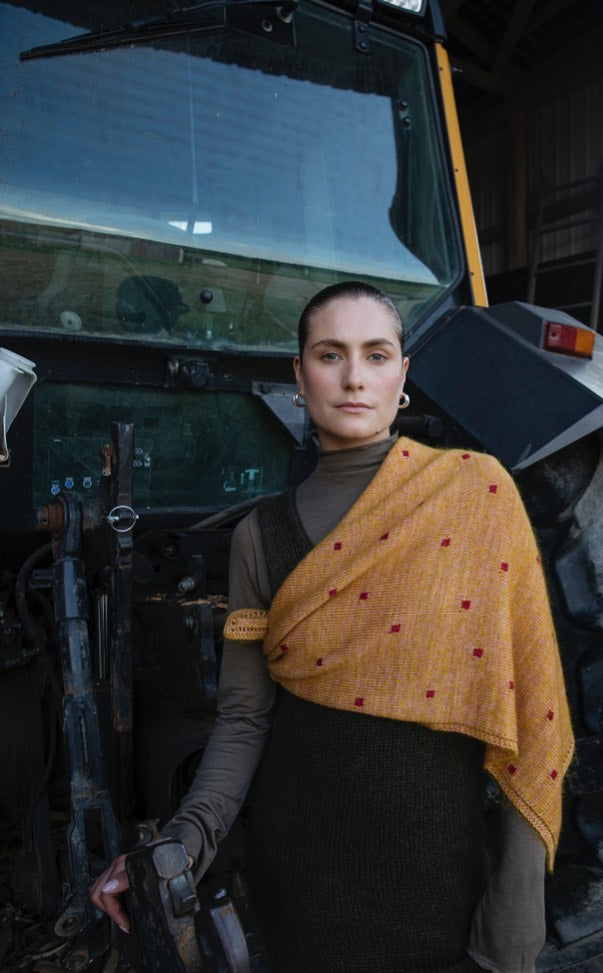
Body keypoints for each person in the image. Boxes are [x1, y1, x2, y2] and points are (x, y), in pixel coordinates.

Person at [91, 281, 574, 973]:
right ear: (299, 375)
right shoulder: (260, 536)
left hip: (437, 879)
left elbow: (533, 717)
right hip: (298, 876)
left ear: (403, 375)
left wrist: (513, 920)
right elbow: (244, 718)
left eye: (376, 355)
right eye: (329, 354)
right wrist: (182, 842)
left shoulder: (477, 495)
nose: (353, 377)